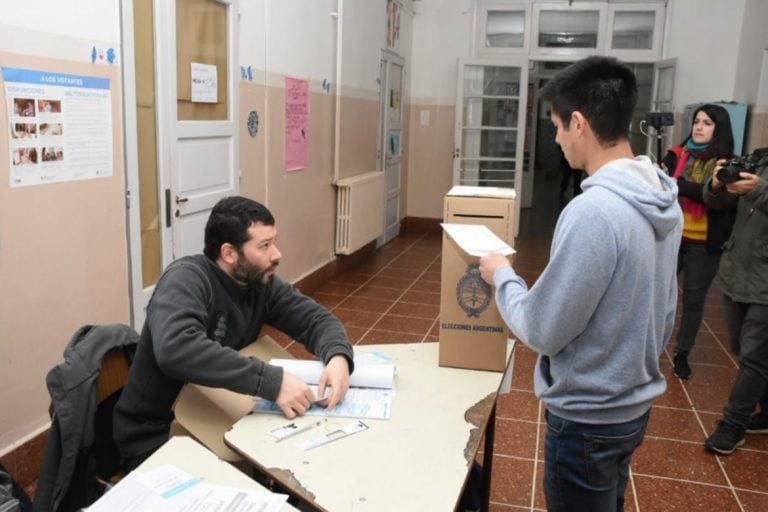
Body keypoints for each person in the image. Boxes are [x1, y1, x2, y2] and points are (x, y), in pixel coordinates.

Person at [478, 56, 683, 511]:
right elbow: (666, 309)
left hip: (588, 418)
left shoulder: (594, 213)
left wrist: (503, 277)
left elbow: (545, 329)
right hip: (633, 403)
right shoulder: (662, 194)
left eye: (555, 127)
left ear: (578, 123)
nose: (555, 140)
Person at [113, 196, 355, 470]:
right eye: (264, 246)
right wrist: (272, 382)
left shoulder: (259, 282)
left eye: (273, 241)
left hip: (218, 419)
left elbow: (316, 320)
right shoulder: (185, 280)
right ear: (229, 253)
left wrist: (338, 356)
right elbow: (177, 349)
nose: (277, 254)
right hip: (157, 434)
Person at [661, 104, 736, 379]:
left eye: (707, 123)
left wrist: (676, 183)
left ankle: (682, 353)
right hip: (672, 236)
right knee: (659, 292)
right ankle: (650, 344)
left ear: (719, 129)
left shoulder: (727, 164)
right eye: (696, 121)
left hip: (704, 244)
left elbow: (713, 199)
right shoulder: (677, 154)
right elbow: (661, 184)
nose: (699, 127)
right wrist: (671, 180)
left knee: (693, 300)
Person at [701, 150, 768, 455]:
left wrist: (758, 190)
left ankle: (733, 424)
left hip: (765, 282)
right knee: (744, 350)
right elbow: (718, 203)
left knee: (754, 356)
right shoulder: (760, 159)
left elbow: (757, 195)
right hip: (736, 272)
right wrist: (716, 184)